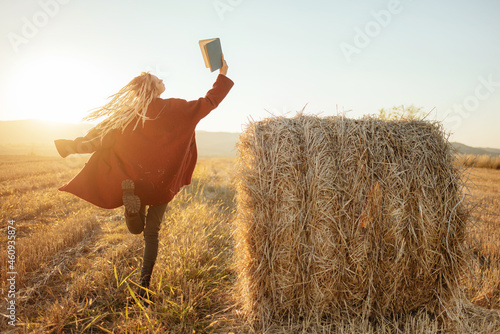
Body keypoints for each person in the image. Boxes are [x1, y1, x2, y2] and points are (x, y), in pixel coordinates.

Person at [54, 56, 233, 304]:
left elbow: (100, 138)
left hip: (134, 178)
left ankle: (131, 209)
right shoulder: (176, 108)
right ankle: (144, 286)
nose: (161, 79)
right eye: (157, 79)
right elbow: (209, 101)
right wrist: (222, 74)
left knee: (135, 228)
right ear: (153, 88)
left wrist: (72, 146)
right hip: (161, 181)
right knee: (151, 233)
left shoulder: (129, 114)